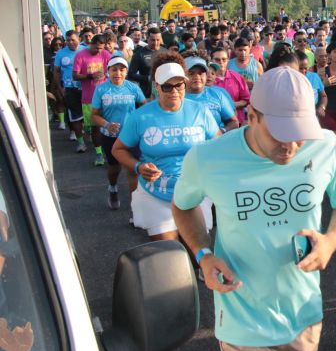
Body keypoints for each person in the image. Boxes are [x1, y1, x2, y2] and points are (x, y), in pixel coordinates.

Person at [172, 66, 336, 351]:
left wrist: (332, 240)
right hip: (241, 321)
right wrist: (203, 255)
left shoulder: (326, 146)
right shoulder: (207, 157)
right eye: (280, 134)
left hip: (305, 314)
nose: (292, 145)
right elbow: (183, 206)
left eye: (300, 134)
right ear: (251, 117)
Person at [112, 53, 218, 240]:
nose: (174, 91)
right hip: (156, 194)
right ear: (157, 87)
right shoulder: (141, 116)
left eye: (179, 85)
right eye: (167, 86)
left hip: (194, 193)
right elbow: (118, 149)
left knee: (198, 253)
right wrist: (138, 166)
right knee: (170, 254)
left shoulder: (200, 111)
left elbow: (219, 145)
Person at [90, 56, 146, 210]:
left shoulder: (133, 87)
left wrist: (139, 122)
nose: (118, 73)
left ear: (126, 71)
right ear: (108, 71)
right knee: (114, 168)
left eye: (122, 69)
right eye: (114, 69)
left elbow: (144, 107)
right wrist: (107, 125)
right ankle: (113, 187)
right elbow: (94, 115)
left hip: (131, 136)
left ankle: (135, 209)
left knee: (132, 170)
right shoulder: (101, 89)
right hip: (110, 136)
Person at [73, 33, 111, 166]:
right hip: (89, 98)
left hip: (107, 97)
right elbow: (75, 76)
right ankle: (99, 154)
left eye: (101, 48)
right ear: (91, 44)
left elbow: (112, 71)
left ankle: (111, 153)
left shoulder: (106, 54)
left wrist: (105, 74)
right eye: (96, 48)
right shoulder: (80, 55)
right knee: (95, 128)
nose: (99, 51)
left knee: (109, 127)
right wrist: (90, 76)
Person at [184, 55, 239, 134]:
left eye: (200, 73)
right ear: (183, 75)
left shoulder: (217, 94)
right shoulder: (177, 97)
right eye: (191, 73)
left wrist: (221, 132)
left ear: (206, 75)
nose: (197, 77)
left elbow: (234, 123)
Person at [54, 30, 84, 148]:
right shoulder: (60, 53)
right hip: (69, 89)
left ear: (79, 40)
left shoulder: (85, 51)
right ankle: (80, 142)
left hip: (85, 89)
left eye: (73, 40)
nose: (70, 42)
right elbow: (56, 72)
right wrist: (60, 88)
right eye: (68, 40)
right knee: (74, 115)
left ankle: (90, 134)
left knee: (88, 114)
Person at [210, 45, 250, 125]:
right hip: (215, 125)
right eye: (217, 60)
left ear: (228, 60)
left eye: (224, 59)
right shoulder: (208, 80)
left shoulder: (237, 77)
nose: (221, 62)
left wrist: (230, 105)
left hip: (236, 123)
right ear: (211, 61)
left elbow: (246, 100)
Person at [128, 26, 163, 98]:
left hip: (164, 93)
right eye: (153, 40)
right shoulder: (139, 54)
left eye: (158, 40)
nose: (156, 43)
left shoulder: (166, 52)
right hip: (146, 94)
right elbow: (131, 74)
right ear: (147, 38)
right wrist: (147, 78)